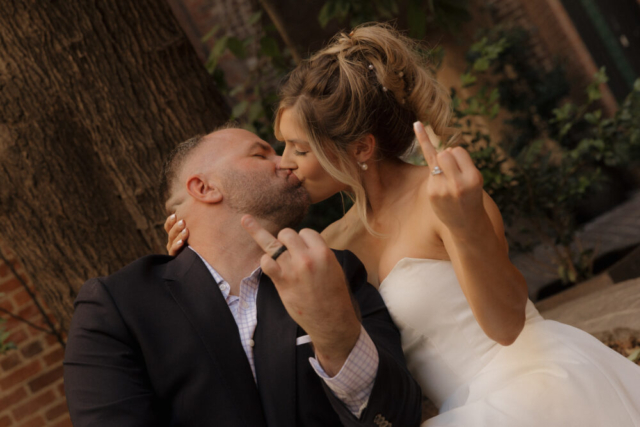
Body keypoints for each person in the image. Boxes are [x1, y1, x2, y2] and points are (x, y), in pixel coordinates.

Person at [167, 23, 640, 426]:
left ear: (361, 149)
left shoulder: (445, 197)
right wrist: (202, 256)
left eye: (302, 149)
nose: (286, 164)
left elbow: (506, 325)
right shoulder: (329, 243)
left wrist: (466, 223)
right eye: (282, 146)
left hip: (540, 391)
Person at [63, 126, 422, 427]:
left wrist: (336, 334)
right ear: (204, 188)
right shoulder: (119, 307)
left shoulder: (334, 271)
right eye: (260, 154)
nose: (286, 162)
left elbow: (398, 417)